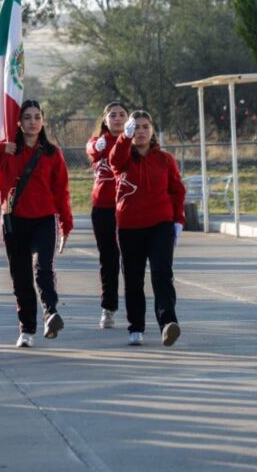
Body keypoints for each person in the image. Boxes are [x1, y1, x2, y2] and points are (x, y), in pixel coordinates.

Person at [0, 99, 73, 348]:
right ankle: (27, 329)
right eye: (27, 117)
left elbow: (61, 191)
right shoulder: (7, 151)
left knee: (43, 268)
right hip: (14, 221)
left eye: (37, 117)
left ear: (43, 121)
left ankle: (51, 313)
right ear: (19, 122)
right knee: (21, 277)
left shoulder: (52, 153)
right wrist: (1, 146)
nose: (32, 122)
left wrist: (66, 224)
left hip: (44, 220)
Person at [109, 110, 186, 348]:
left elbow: (177, 191)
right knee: (133, 278)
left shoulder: (165, 159)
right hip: (130, 225)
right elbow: (114, 159)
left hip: (160, 224)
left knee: (162, 273)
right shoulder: (123, 157)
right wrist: (124, 137)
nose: (141, 131)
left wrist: (178, 221)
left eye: (145, 127)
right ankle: (136, 327)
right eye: (136, 127)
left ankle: (168, 323)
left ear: (152, 131)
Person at [85, 101, 129, 330]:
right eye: (113, 115)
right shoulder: (98, 142)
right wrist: (99, 144)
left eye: (122, 115)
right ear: (105, 119)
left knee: (131, 260)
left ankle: (135, 310)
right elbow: (92, 149)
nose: (118, 118)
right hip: (103, 208)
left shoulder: (134, 141)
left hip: (129, 207)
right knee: (109, 259)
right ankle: (108, 308)